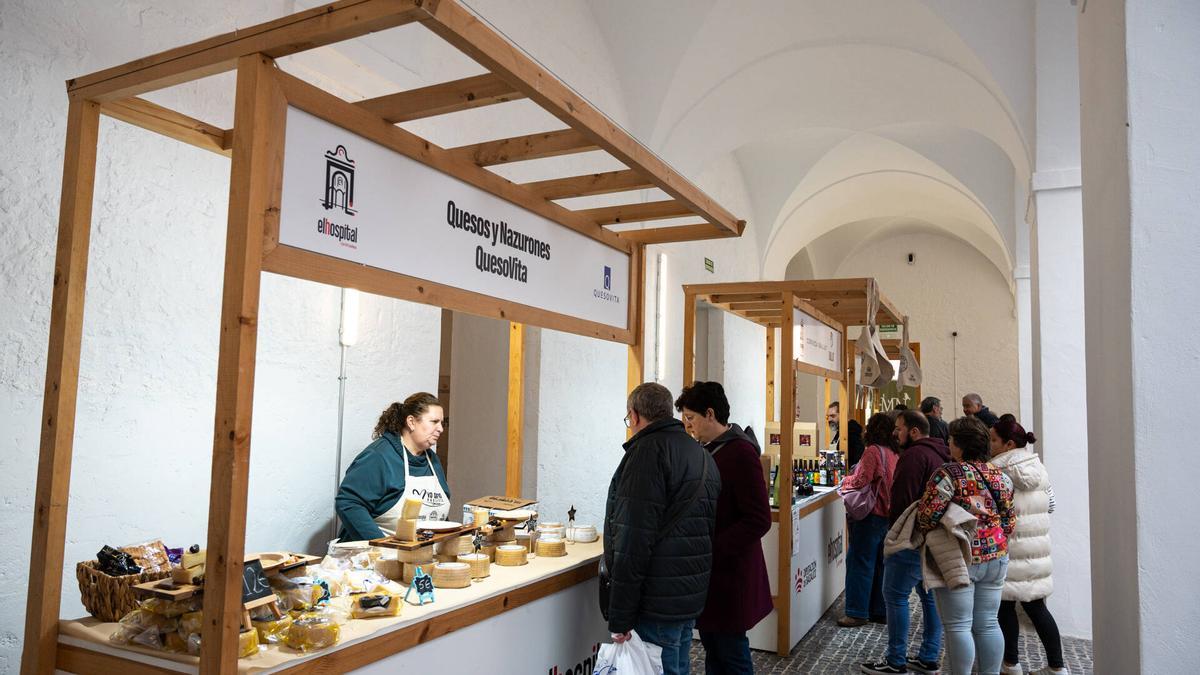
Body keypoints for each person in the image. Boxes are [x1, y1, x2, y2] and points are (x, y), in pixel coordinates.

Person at [605, 383, 721, 675]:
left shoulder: (646, 454)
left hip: (656, 601)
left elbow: (633, 541)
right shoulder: (701, 454)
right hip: (686, 596)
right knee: (677, 666)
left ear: (634, 416)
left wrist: (620, 617)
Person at [675, 381, 771, 675]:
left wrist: (713, 548)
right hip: (712, 574)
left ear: (710, 414)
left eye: (691, 418)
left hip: (731, 574)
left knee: (731, 652)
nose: (688, 426)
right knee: (714, 648)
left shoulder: (741, 453)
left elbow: (758, 518)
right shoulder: (706, 448)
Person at [916, 417, 1016, 675]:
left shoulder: (949, 474)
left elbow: (927, 515)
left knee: (958, 625)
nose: (948, 444)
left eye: (951, 440)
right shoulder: (1000, 476)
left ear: (960, 445)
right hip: (996, 556)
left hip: (960, 557)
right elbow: (1009, 520)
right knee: (988, 623)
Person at [862, 410, 949, 675]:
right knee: (929, 596)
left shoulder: (913, 456)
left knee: (895, 596)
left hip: (911, 538)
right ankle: (928, 656)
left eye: (899, 429)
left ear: (913, 431)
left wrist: (895, 532)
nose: (894, 433)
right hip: (932, 538)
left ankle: (895, 660)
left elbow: (903, 498)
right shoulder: (939, 453)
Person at [989, 419, 1068, 675]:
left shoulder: (996, 471)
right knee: (1036, 608)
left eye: (993, 440)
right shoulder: (1038, 468)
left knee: (1005, 605)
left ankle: (1011, 663)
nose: (989, 445)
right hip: (1036, 549)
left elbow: (993, 508)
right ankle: (1057, 667)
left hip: (1009, 547)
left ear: (1008, 444)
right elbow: (1052, 505)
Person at [335, 393, 450, 541]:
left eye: (441, 422)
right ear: (411, 422)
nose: (440, 429)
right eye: (434, 421)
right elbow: (349, 503)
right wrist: (382, 547)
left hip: (418, 557)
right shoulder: (379, 456)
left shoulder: (432, 460)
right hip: (374, 557)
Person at [837, 413, 900, 628]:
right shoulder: (894, 452)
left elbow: (862, 479)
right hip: (888, 515)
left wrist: (844, 480)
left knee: (860, 562)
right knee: (881, 564)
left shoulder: (873, 451)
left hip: (871, 514)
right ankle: (878, 610)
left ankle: (856, 612)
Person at [827, 401, 867, 468]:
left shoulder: (853, 431)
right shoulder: (840, 431)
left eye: (833, 416)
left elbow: (857, 457)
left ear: (843, 414)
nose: (829, 419)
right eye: (828, 416)